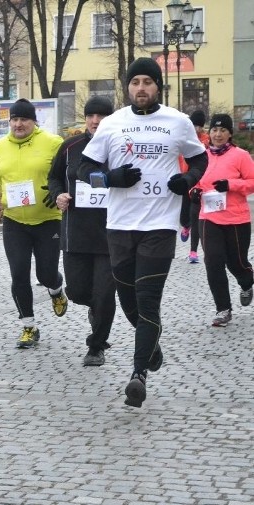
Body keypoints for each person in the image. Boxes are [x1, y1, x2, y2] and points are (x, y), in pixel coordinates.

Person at [78, 57, 207, 408]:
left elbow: (200, 159)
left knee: (148, 300)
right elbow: (83, 167)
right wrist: (110, 178)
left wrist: (187, 180)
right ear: (127, 87)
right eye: (135, 82)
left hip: (159, 226)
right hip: (120, 226)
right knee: (130, 304)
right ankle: (151, 344)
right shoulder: (114, 123)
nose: (141, 88)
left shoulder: (178, 122)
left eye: (148, 82)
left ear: (158, 86)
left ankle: (138, 375)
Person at [0, 98, 66, 348]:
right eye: (14, 119)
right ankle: (28, 326)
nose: (18, 124)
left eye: (24, 120)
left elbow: (65, 172)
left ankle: (56, 288)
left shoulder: (53, 143)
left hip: (48, 219)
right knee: (19, 274)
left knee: (46, 273)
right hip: (15, 220)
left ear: (33, 121)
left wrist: (58, 191)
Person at [47, 96, 116, 366]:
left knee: (104, 294)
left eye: (101, 116)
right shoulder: (70, 147)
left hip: (111, 235)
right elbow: (53, 177)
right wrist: (59, 194)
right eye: (91, 116)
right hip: (75, 233)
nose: (95, 121)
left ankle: (96, 346)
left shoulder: (120, 146)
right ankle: (96, 310)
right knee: (76, 291)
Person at [187, 114, 254, 327]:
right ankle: (223, 309)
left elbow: (252, 182)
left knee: (237, 262)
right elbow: (192, 181)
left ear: (229, 133)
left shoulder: (240, 155)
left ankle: (247, 282)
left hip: (236, 218)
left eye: (222, 130)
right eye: (214, 130)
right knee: (213, 262)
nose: (217, 134)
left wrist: (231, 185)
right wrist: (193, 192)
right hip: (208, 217)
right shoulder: (201, 155)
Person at [178, 109, 210, 263]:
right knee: (184, 215)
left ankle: (193, 252)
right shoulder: (183, 138)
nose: (196, 129)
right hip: (186, 180)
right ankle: (185, 226)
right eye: (194, 125)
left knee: (195, 215)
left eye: (199, 126)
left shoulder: (206, 140)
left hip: (199, 183)